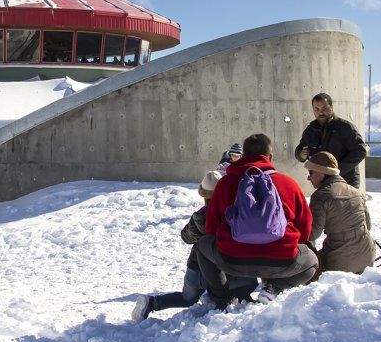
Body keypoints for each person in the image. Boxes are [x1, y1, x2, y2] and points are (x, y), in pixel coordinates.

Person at [195, 133, 318, 308]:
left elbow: (211, 228)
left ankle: (222, 300)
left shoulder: (226, 183)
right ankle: (274, 287)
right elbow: (305, 230)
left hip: (232, 259)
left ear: (243, 156)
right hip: (281, 261)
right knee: (311, 262)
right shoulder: (288, 184)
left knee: (203, 244)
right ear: (271, 157)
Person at [131, 171, 258, 321]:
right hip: (224, 269)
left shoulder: (200, 216)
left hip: (196, 267)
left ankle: (152, 303)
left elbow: (186, 236)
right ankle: (215, 300)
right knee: (232, 291)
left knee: (187, 298)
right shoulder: (233, 213)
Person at [305, 152, 376, 274]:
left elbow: (312, 234)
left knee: (304, 260)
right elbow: (368, 226)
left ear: (322, 173)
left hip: (340, 262)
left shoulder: (321, 195)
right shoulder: (356, 192)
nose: (308, 178)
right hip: (367, 257)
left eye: (311, 173)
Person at [294, 93, 368, 188]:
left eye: (324, 108)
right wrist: (301, 154)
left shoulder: (345, 127)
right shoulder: (310, 130)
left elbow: (360, 151)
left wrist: (336, 170)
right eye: (317, 109)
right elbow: (299, 150)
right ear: (313, 110)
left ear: (331, 108)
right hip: (322, 182)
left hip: (346, 182)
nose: (321, 112)